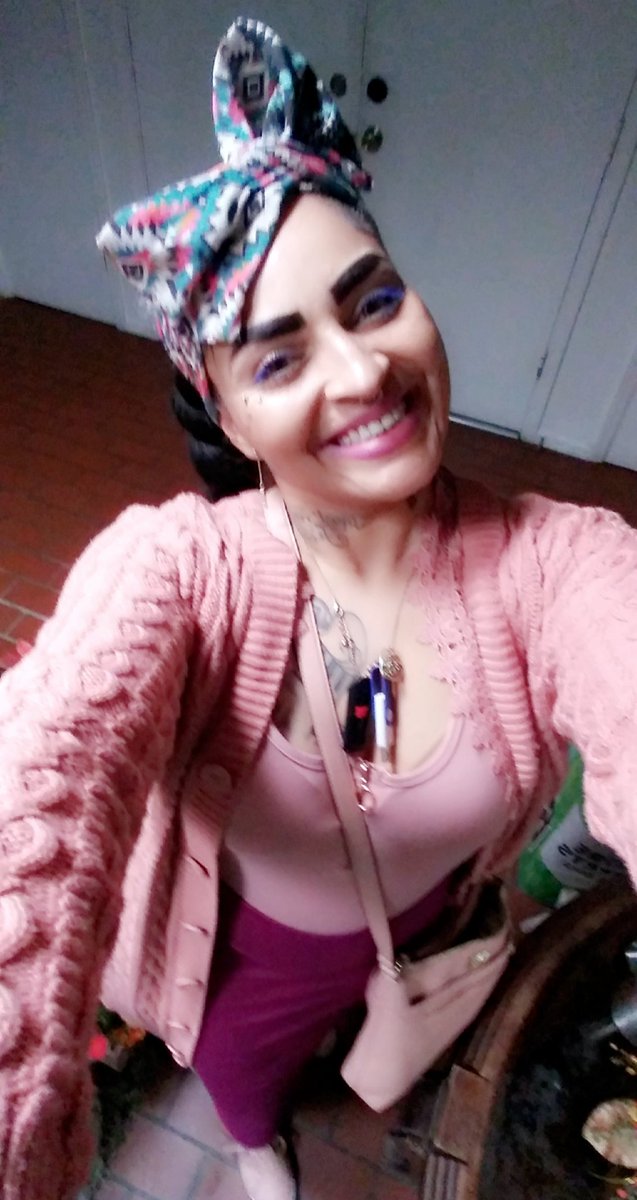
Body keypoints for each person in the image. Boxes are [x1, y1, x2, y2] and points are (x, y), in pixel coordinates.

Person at [1, 17, 636, 1200]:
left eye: (373, 300)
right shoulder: (178, 572)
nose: (361, 371)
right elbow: (42, 780)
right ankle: (256, 1145)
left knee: (375, 1015)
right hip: (248, 959)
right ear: (227, 415)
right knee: (248, 1078)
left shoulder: (556, 562)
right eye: (279, 358)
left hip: (424, 915)